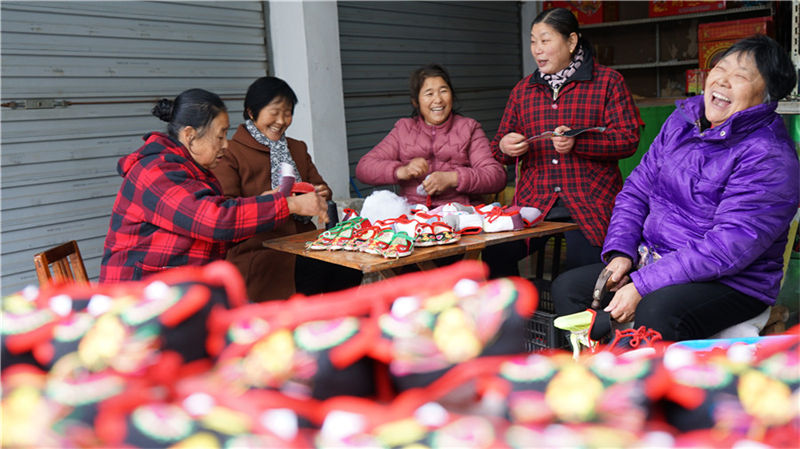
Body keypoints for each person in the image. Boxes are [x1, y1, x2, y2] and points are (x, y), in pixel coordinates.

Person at [552, 34, 799, 342]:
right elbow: (636, 191)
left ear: (767, 96)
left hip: (733, 282)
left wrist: (643, 285)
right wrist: (621, 252)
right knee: (568, 288)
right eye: (721, 69)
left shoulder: (769, 155)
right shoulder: (683, 122)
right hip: (654, 259)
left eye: (740, 77)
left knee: (656, 312)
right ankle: (597, 376)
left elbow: (726, 248)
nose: (722, 81)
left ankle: (646, 385)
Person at [100, 88, 328, 283]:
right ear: (190, 135)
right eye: (219, 136)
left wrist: (270, 200)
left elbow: (219, 224)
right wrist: (287, 204)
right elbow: (215, 220)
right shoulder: (155, 171)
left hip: (178, 289)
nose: (226, 145)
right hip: (138, 300)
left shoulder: (190, 170)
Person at [485, 7, 640, 277]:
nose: (537, 50)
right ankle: (516, 313)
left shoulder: (608, 82)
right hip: (536, 202)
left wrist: (578, 142)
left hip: (591, 202)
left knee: (581, 270)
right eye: (533, 41)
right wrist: (504, 147)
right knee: (495, 253)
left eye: (545, 41)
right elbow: (498, 147)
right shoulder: (523, 91)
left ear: (571, 42)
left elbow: (628, 140)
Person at [212, 77, 361, 301]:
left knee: (349, 269)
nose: (281, 121)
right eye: (274, 112)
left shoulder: (297, 148)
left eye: (288, 112)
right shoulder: (231, 152)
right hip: (260, 249)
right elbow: (228, 209)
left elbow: (322, 187)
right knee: (308, 272)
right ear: (252, 112)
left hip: (306, 242)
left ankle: (330, 324)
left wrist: (320, 192)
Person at [355, 64, 506, 208]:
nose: (438, 99)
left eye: (443, 91)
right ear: (416, 101)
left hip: (461, 214)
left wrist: (453, 178)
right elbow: (364, 168)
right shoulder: (403, 129)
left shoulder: (468, 128)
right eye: (429, 93)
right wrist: (402, 170)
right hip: (414, 215)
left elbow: (496, 176)